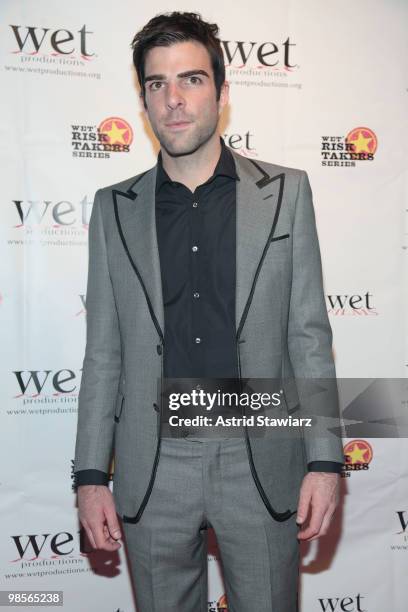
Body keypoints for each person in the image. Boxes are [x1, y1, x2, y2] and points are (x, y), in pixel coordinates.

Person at [74, 11, 344, 612]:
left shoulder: (287, 194)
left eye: (191, 79)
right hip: (153, 462)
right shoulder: (113, 209)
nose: (172, 99)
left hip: (261, 451)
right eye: (155, 83)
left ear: (221, 93)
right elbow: (104, 353)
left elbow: (307, 335)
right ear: (143, 99)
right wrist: (91, 476)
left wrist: (325, 461)